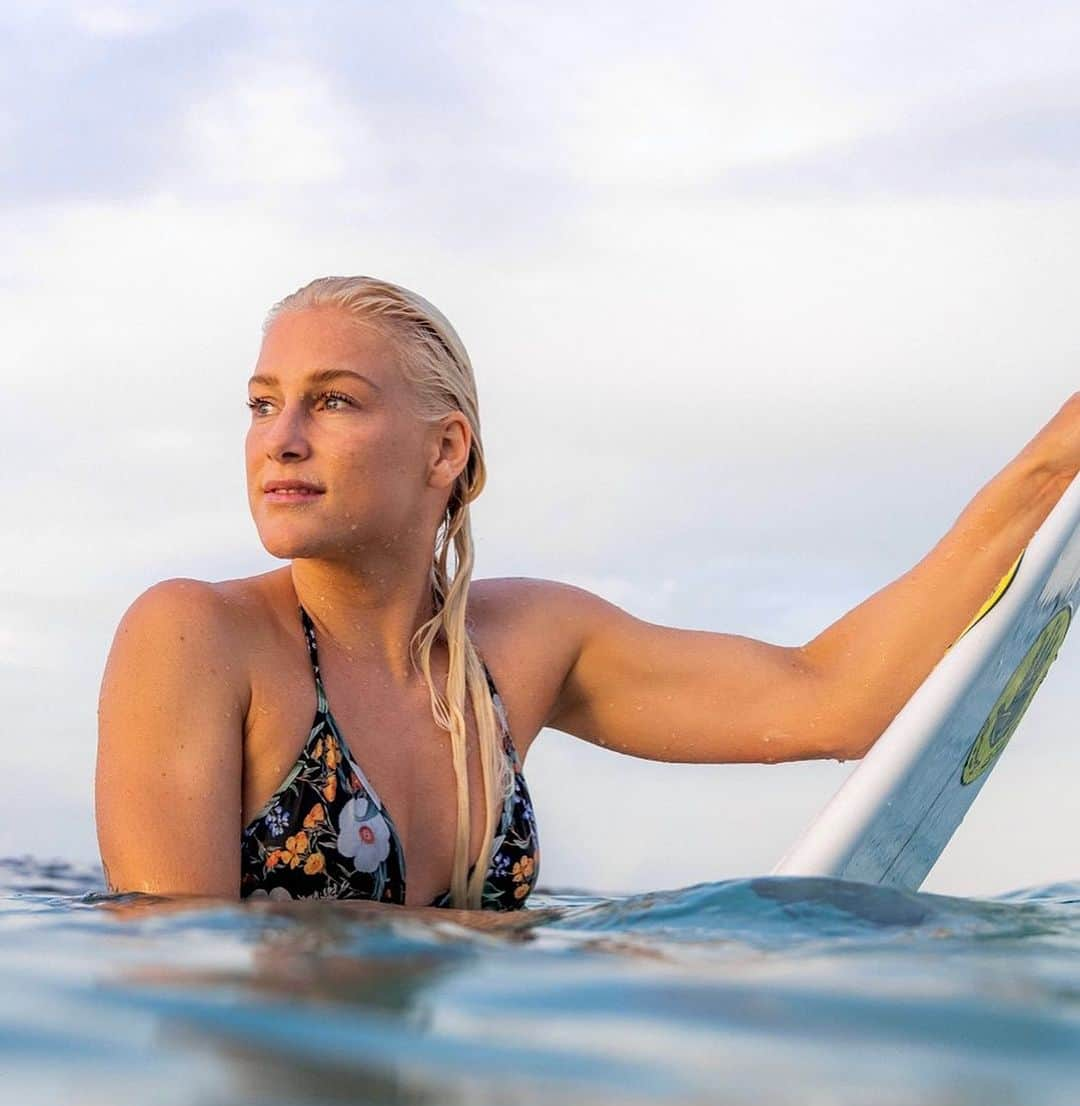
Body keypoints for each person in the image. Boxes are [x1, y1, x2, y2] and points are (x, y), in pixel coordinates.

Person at [94, 274, 1080, 912]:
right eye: (264, 403)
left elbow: (834, 696)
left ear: (446, 449)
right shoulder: (193, 637)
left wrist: (1050, 470)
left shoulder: (529, 645)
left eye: (333, 399)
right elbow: (180, 991)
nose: (282, 435)